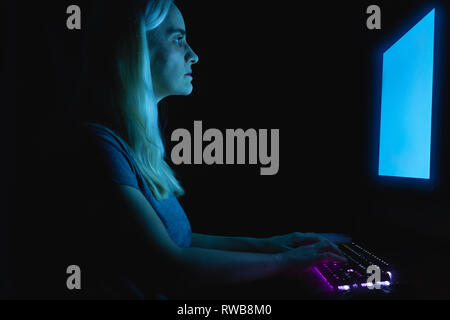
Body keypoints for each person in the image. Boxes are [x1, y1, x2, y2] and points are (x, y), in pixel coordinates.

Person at [75, 0, 350, 299]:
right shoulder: (99, 145)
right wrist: (285, 262)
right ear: (134, 47)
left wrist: (274, 245)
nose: (193, 55)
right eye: (178, 40)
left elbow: (182, 242)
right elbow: (170, 267)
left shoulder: (134, 147)